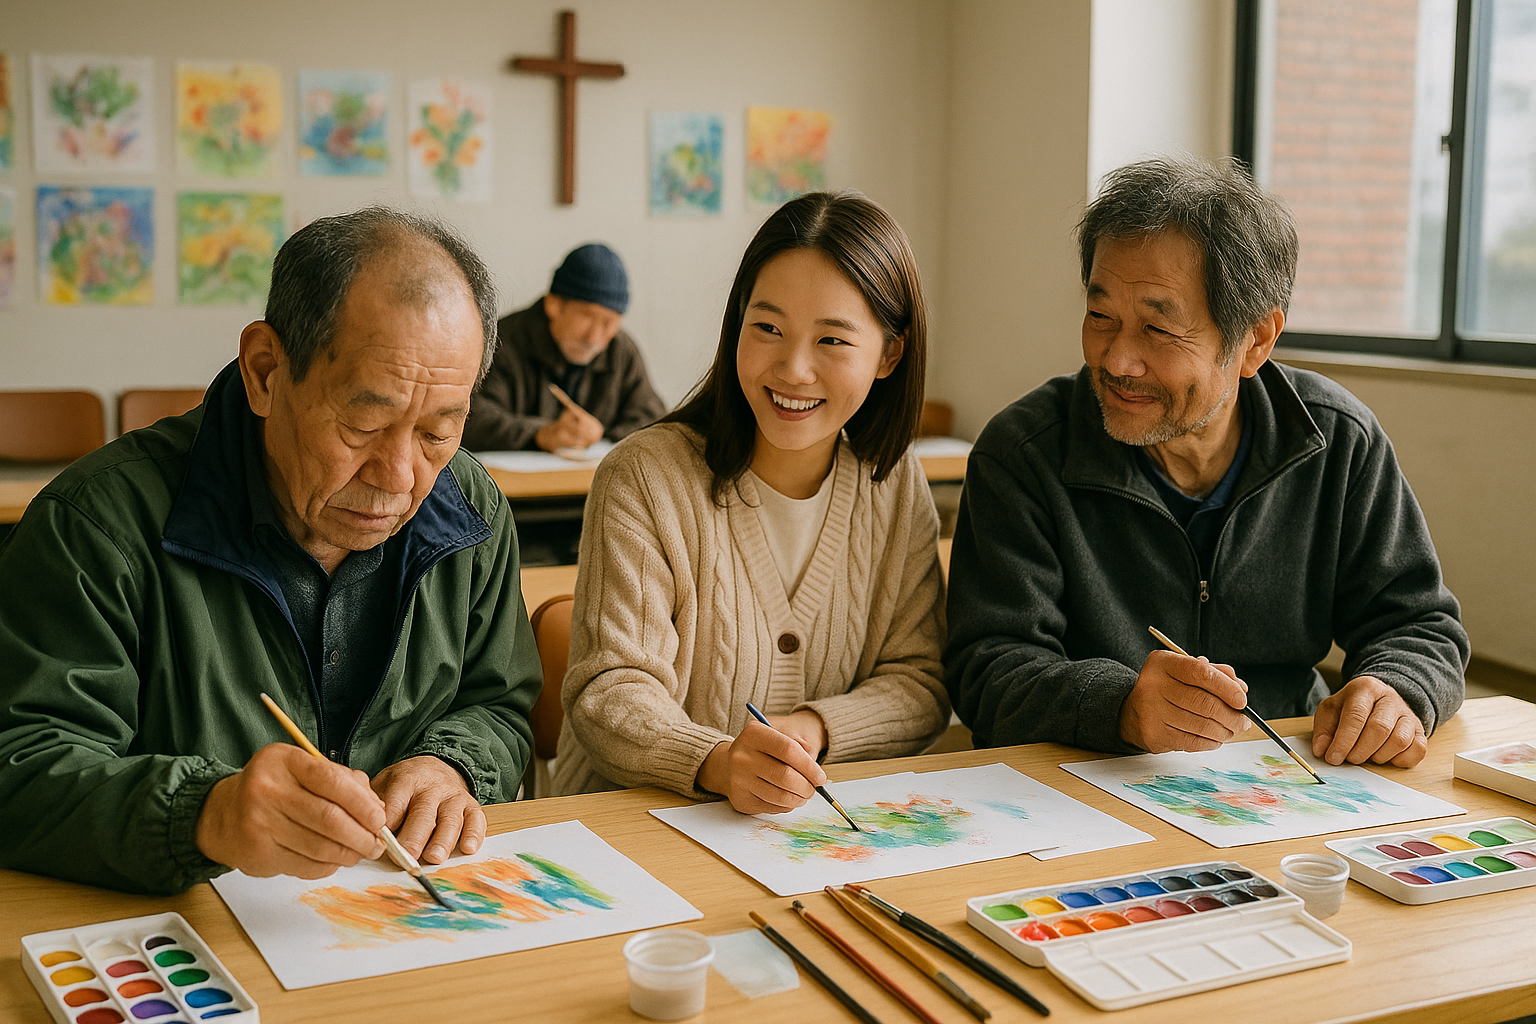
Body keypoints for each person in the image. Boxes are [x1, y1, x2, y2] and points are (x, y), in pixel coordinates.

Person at [0, 207, 542, 895]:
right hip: (191, 936)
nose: (401, 477)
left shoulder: (468, 507)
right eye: (365, 422)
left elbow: (498, 701)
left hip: (391, 928)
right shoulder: (98, 527)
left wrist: (453, 765)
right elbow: (19, 763)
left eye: (439, 432)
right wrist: (204, 812)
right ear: (264, 371)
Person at [945, 157, 1468, 769]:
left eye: (1158, 330)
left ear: (1254, 342)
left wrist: (1397, 690)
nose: (1118, 360)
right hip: (1088, 787)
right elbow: (987, 668)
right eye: (1100, 317)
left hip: (1284, 780)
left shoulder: (1337, 442)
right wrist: (1121, 707)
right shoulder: (1024, 453)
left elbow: (1419, 623)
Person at [553, 190, 950, 809]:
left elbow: (921, 681)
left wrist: (817, 729)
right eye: (767, 328)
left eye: (833, 341)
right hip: (631, 837)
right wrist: (713, 761)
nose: (793, 369)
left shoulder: (892, 482)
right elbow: (610, 691)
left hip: (803, 841)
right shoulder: (645, 477)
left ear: (889, 354)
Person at [463, 243, 667, 453]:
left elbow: (654, 420)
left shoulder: (620, 351)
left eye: (609, 323)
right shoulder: (502, 340)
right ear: (554, 305)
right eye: (586, 316)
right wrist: (540, 434)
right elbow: (466, 416)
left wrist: (600, 434)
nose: (594, 337)